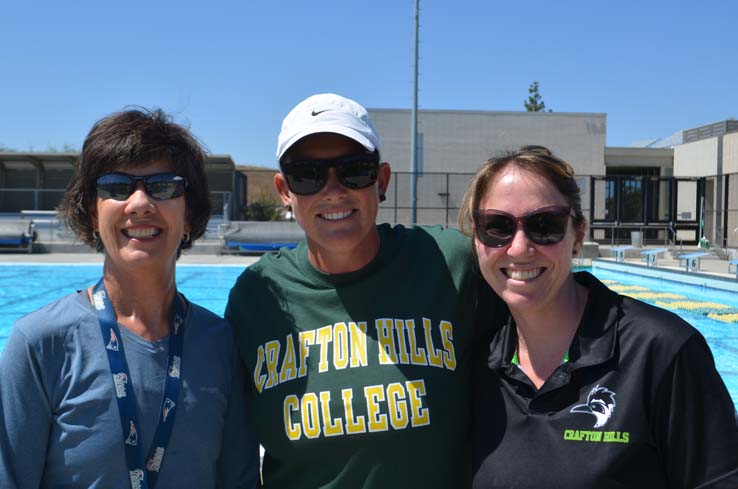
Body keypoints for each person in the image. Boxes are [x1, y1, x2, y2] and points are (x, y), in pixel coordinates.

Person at [225, 93, 481, 488]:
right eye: (307, 175)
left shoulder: (448, 264)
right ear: (284, 190)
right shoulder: (257, 296)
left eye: (354, 171)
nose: (333, 191)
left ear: (381, 180)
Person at [0, 108, 259, 489]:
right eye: (116, 187)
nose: (140, 203)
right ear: (91, 211)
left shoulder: (219, 342)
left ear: (189, 214)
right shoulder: (41, 343)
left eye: (164, 185)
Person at [460, 145, 738, 488]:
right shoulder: (474, 360)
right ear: (476, 238)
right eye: (496, 226)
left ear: (578, 235)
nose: (519, 247)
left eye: (545, 225)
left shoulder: (660, 352)